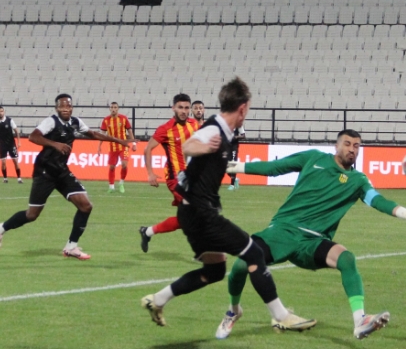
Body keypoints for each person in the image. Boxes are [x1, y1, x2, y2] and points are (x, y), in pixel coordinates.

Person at [220, 129, 406, 340]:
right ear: (336, 146)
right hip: (283, 230)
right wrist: (234, 166)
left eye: (356, 146)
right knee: (241, 265)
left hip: (313, 241)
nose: (352, 149)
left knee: (346, 258)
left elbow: (378, 201)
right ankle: (234, 310)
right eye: (347, 144)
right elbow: (275, 167)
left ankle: (360, 321)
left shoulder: (358, 181)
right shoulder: (313, 158)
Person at [140, 77, 313, 333]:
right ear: (242, 108)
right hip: (201, 214)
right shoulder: (215, 129)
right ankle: (281, 315)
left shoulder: (225, 131)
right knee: (253, 253)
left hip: (190, 211)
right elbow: (189, 144)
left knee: (214, 271)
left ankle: (158, 300)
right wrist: (200, 147)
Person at [0, 93, 133, 258]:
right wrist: (55, 144)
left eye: (68, 106)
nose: (65, 108)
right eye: (62, 106)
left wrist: (121, 141)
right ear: (56, 108)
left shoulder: (75, 122)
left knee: (86, 206)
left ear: (72, 107)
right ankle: (1, 229)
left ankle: (71, 246)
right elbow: (34, 136)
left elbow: (93, 134)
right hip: (45, 171)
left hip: (62, 171)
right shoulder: (51, 121)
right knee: (32, 215)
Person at [138, 93, 199, 253]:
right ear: (173, 108)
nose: (184, 111)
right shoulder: (166, 129)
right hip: (175, 179)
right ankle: (202, 251)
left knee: (184, 219)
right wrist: (150, 173)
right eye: (180, 107)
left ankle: (147, 231)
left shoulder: (194, 124)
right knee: (197, 211)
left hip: (192, 179)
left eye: (187, 108)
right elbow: (148, 149)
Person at [97, 102, 137, 193]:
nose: (113, 109)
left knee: (124, 164)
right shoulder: (106, 120)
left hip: (123, 146)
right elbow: (102, 134)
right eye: (112, 107)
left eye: (115, 107)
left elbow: (130, 131)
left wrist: (134, 144)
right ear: (109, 109)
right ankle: (111, 187)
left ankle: (121, 182)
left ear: (118, 109)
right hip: (112, 147)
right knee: (111, 167)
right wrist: (99, 146)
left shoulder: (123, 118)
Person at [0, 106, 22, 184]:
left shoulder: (9, 120)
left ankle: (19, 178)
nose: (1, 113)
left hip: (11, 144)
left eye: (2, 111)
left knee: (15, 161)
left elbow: (16, 131)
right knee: (3, 163)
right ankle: (5, 178)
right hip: (2, 145)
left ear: (4, 112)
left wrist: (19, 141)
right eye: (0, 111)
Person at [227, 125, 245, 191]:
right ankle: (235, 179)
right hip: (226, 147)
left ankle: (232, 185)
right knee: (225, 166)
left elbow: (243, 135)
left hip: (234, 147)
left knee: (233, 164)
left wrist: (236, 137)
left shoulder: (238, 124)